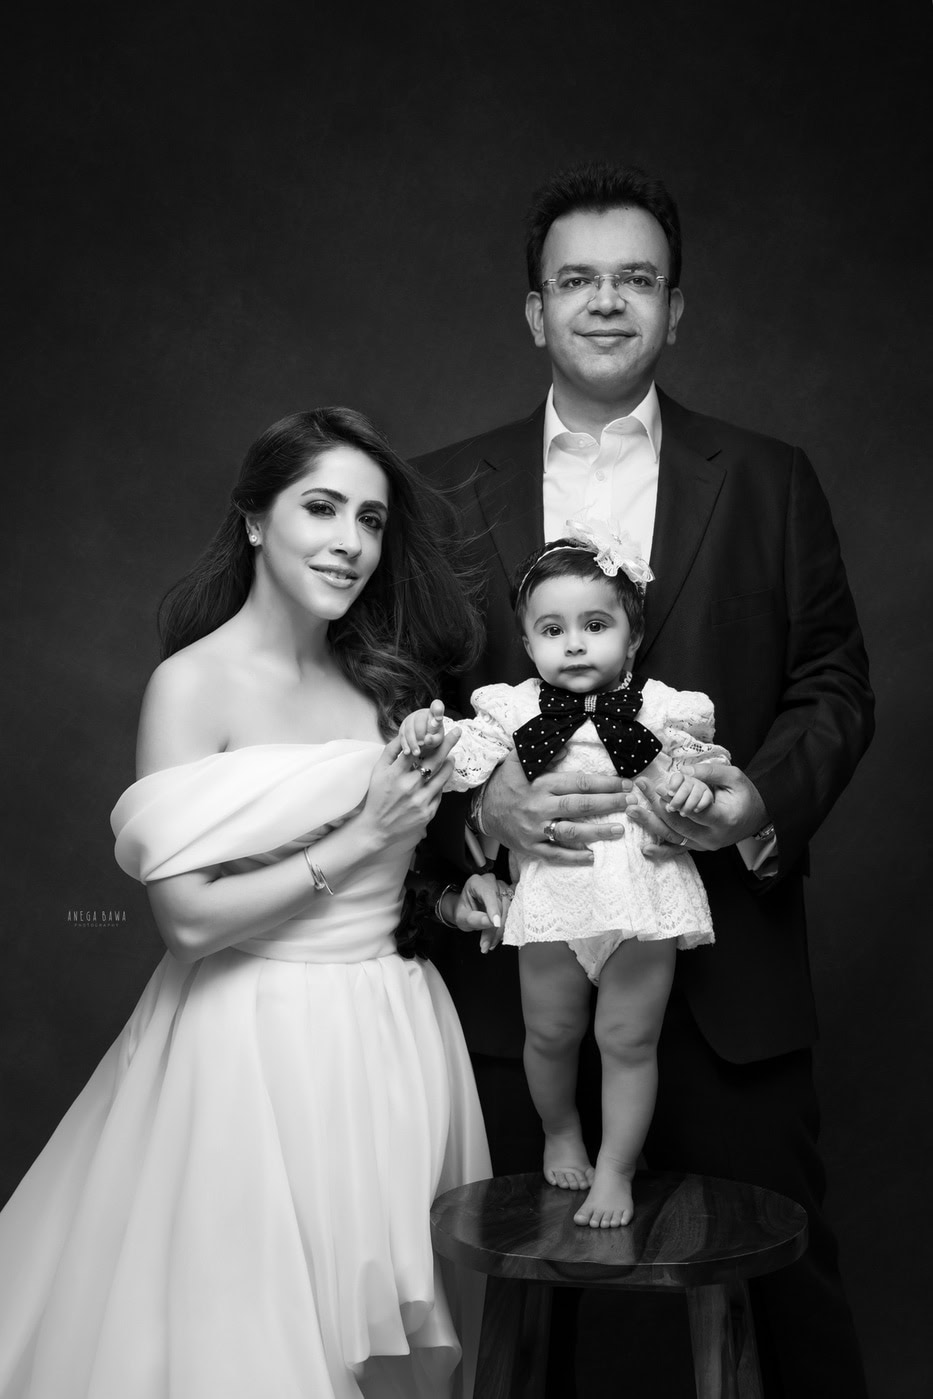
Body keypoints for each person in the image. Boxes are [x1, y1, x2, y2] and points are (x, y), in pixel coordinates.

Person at [414, 163, 874, 1397]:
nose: (606, 302)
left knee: (784, 1295)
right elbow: (393, 702)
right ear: (534, 313)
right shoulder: (441, 489)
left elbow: (835, 684)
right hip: (528, 981)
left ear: (678, 310)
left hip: (734, 978)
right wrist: (479, 810)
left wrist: (757, 802)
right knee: (523, 1314)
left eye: (637, 280)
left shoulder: (772, 477)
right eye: (578, 279)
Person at [0, 407, 496, 1399]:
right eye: (321, 508)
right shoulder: (193, 686)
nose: (350, 541)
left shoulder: (383, 679)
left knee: (388, 1338)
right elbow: (186, 923)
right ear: (257, 521)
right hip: (251, 1048)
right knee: (257, 1341)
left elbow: (391, 875)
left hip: (395, 1038)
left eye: (370, 518)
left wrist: (448, 897)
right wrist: (360, 836)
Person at [402, 529, 729, 1230]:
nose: (573, 643)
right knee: (548, 1031)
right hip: (554, 893)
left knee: (626, 1039)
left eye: (595, 624)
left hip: (642, 897)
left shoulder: (663, 709)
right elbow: (459, 766)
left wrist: (696, 792)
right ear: (527, 641)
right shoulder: (514, 710)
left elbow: (700, 772)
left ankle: (614, 1169)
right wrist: (429, 739)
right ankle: (560, 1130)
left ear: (632, 638)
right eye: (552, 630)